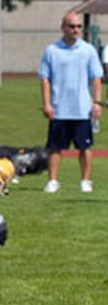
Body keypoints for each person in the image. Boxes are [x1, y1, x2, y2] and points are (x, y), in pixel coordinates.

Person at [39, 11, 103, 193]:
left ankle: (85, 180)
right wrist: (47, 103)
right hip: (59, 108)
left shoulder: (88, 50)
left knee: (85, 147)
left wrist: (96, 103)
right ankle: (52, 181)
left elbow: (96, 78)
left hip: (82, 109)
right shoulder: (52, 51)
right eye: (72, 26)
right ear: (63, 28)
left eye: (79, 26)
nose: (76, 30)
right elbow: (45, 79)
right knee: (55, 147)